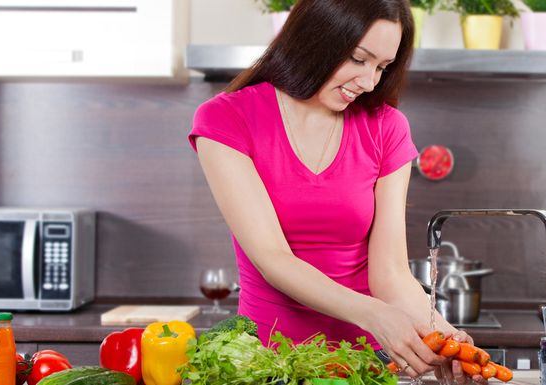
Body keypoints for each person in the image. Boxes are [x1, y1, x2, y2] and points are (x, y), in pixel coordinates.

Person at [189, 0, 484, 383]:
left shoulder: (386, 127)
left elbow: (391, 273)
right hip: (266, 365)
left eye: (382, 67)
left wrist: (444, 335)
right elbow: (273, 258)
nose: (370, 82)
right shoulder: (227, 118)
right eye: (358, 59)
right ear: (313, 39)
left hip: (365, 367)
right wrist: (376, 315)